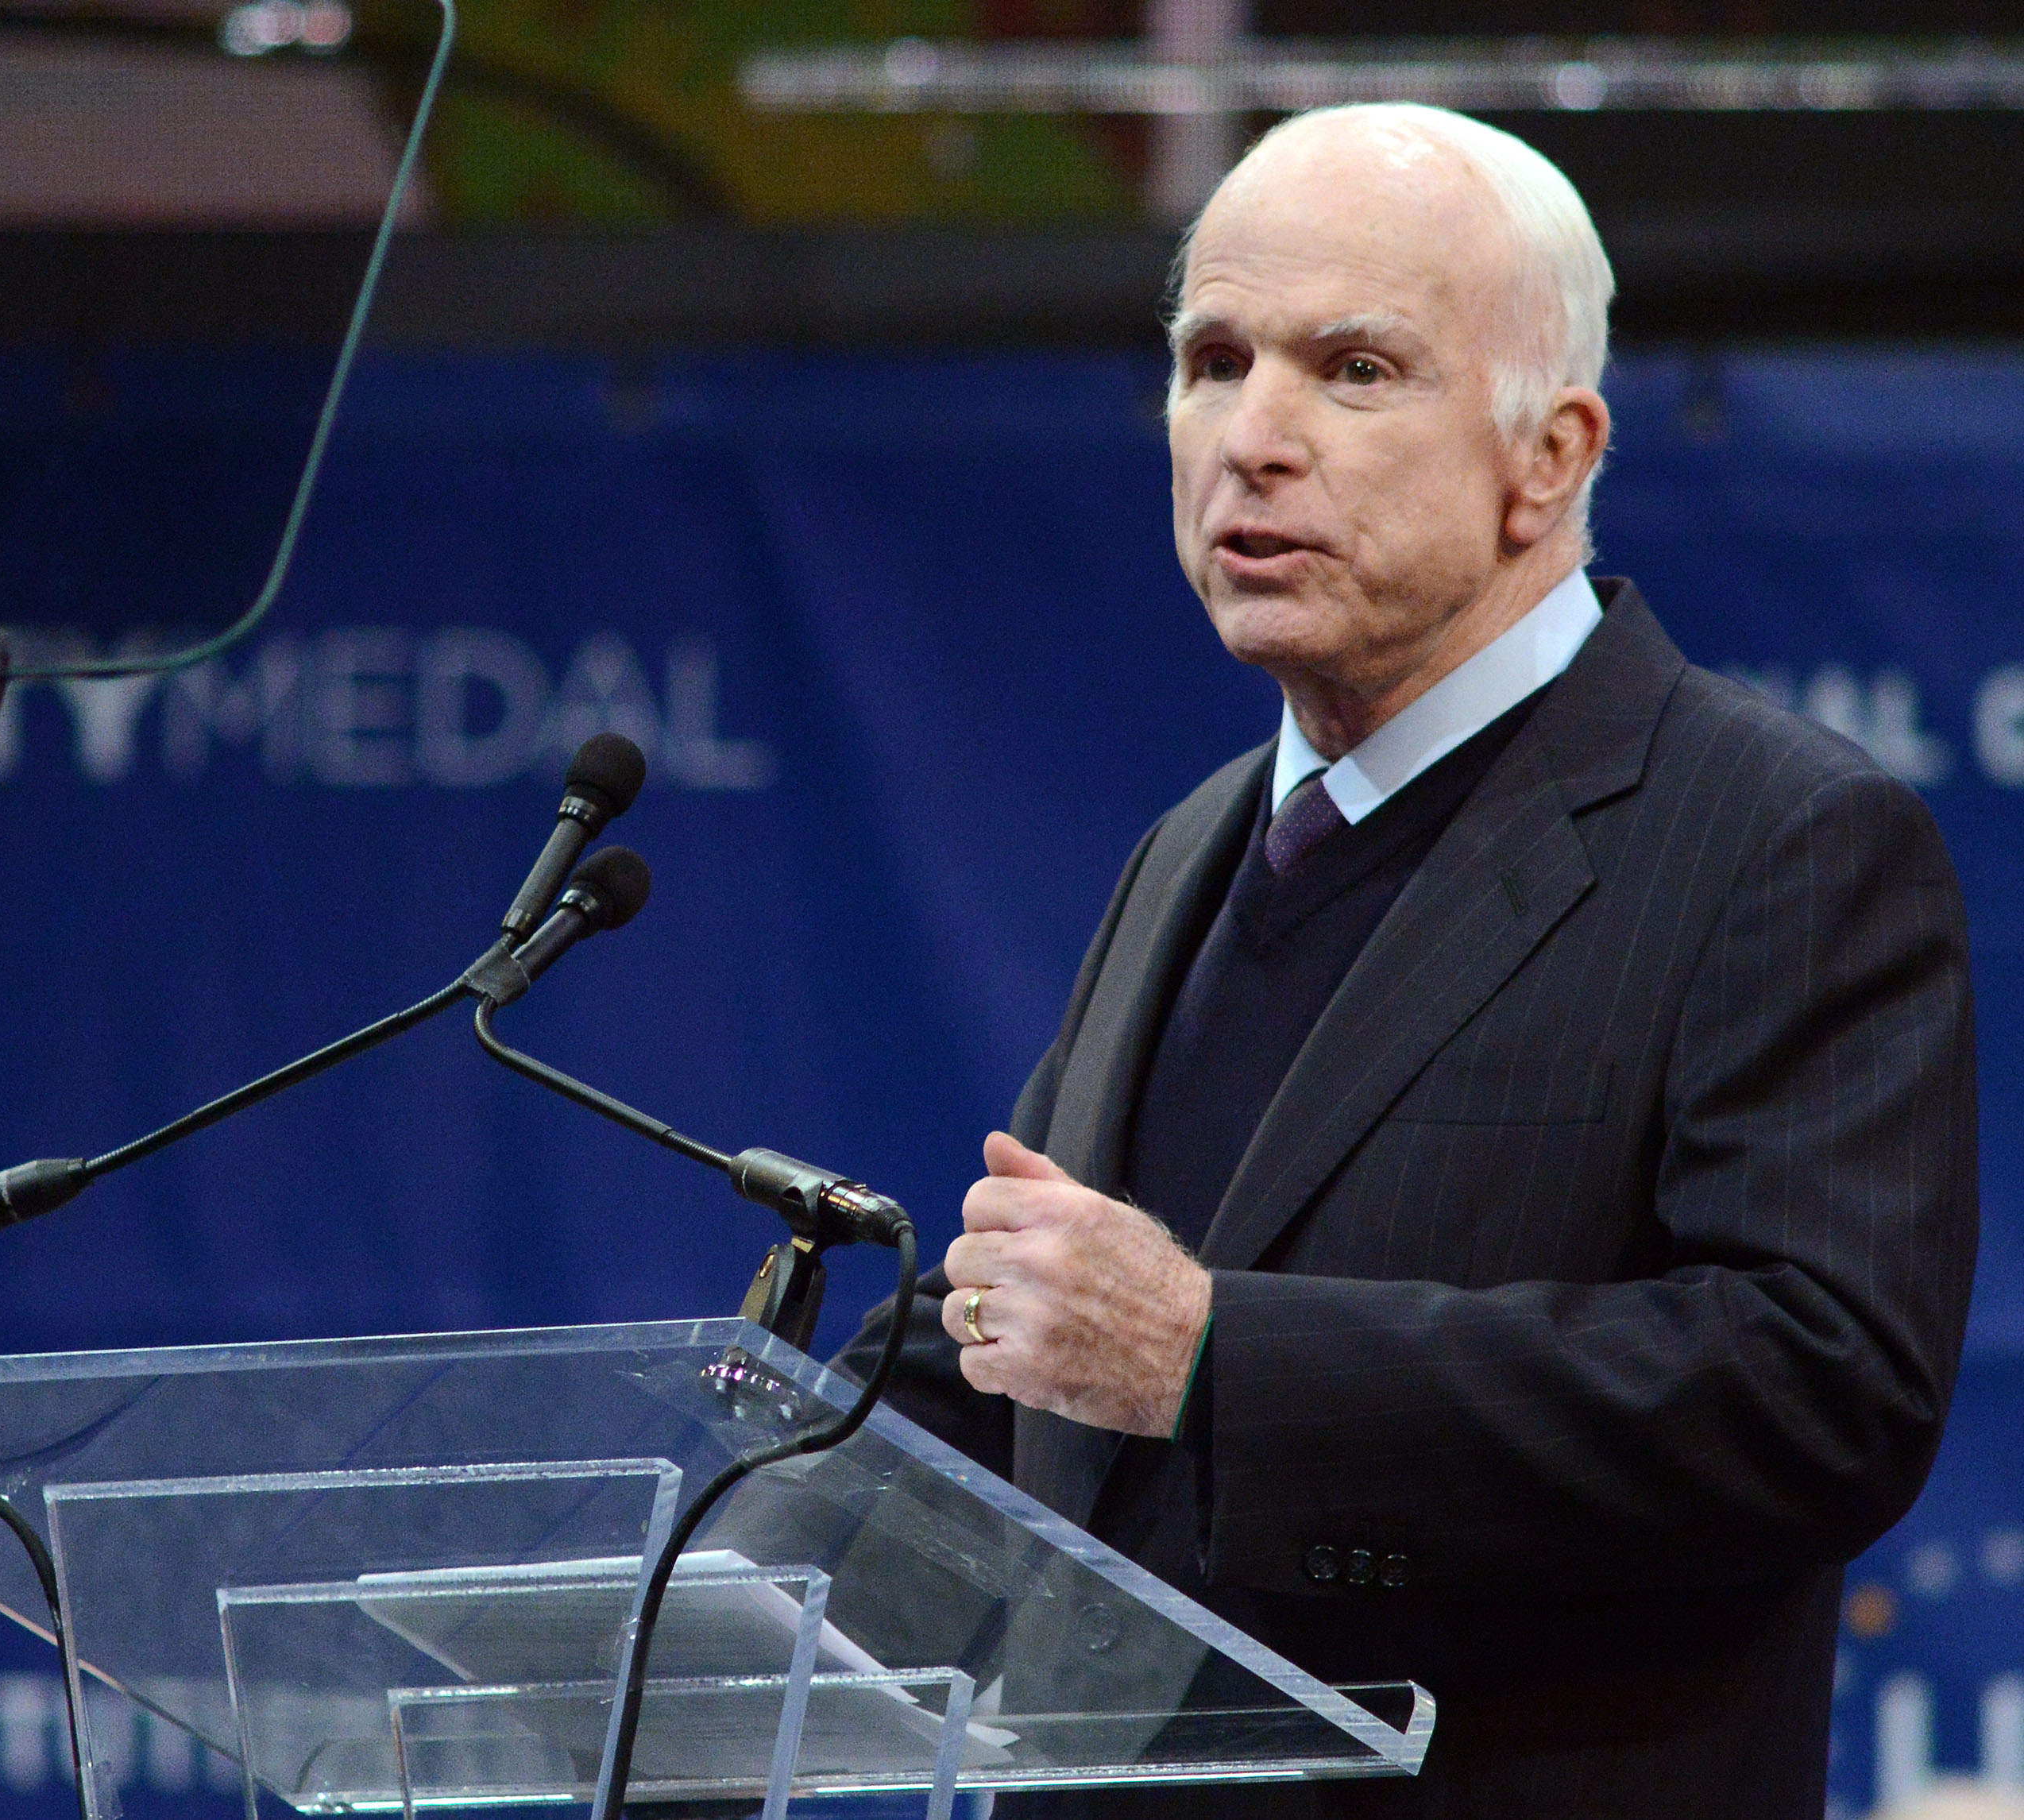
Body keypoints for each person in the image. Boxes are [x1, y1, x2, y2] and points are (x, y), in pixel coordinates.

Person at [836, 102, 1977, 1818]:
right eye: (1213, 360)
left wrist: (1220, 1362)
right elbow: (1045, 1354)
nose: (1255, 436)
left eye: (1352, 370)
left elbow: (1813, 1397)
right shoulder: (1193, 845)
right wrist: (742, 1479)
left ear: (1552, 454)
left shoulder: (1775, 838)